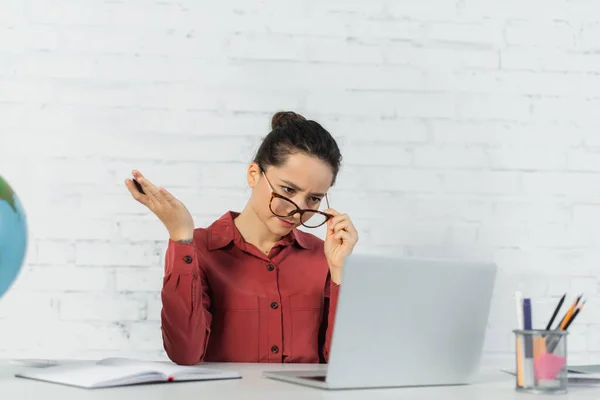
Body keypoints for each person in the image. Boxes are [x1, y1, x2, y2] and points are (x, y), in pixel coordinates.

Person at [124, 111, 359, 365]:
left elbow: (343, 365)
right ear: (253, 175)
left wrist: (340, 273)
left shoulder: (323, 256)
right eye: (288, 189)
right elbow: (185, 353)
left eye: (313, 198)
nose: (296, 209)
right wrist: (180, 237)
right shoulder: (200, 251)